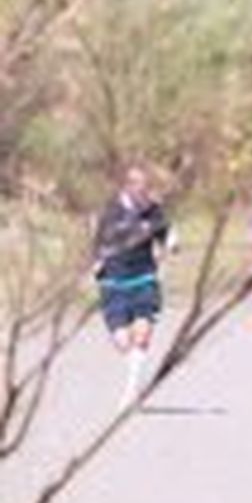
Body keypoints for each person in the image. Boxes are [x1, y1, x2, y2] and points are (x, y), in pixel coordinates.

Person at [92, 165, 174, 412]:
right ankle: (134, 373)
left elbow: (166, 234)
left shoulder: (154, 211)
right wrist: (95, 263)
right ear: (127, 186)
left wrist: (171, 243)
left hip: (144, 278)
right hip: (113, 282)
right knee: (122, 341)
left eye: (146, 185)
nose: (144, 190)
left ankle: (131, 391)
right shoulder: (110, 212)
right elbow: (97, 243)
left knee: (143, 334)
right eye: (138, 185)